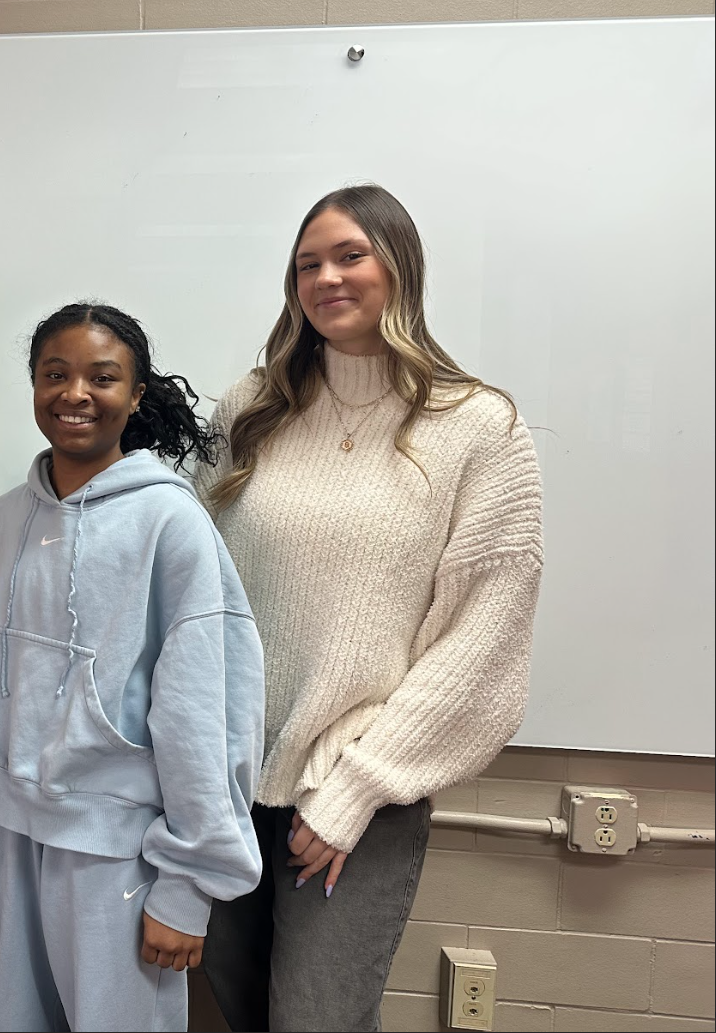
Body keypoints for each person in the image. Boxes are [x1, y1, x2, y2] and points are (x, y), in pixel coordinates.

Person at [196, 184, 544, 1032]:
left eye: (349, 255)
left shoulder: (477, 426)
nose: (327, 278)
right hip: (225, 782)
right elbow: (192, 586)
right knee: (233, 1015)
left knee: (318, 1020)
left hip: (350, 795)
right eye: (307, 263)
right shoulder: (250, 409)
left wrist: (357, 788)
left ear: (398, 266)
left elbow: (483, 636)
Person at [0, 302, 266, 1033]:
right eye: (54, 374)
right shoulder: (5, 519)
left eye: (102, 376)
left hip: (114, 848)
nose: (75, 393)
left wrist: (189, 884)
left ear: (135, 393)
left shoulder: (170, 522)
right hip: (2, 829)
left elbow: (204, 710)